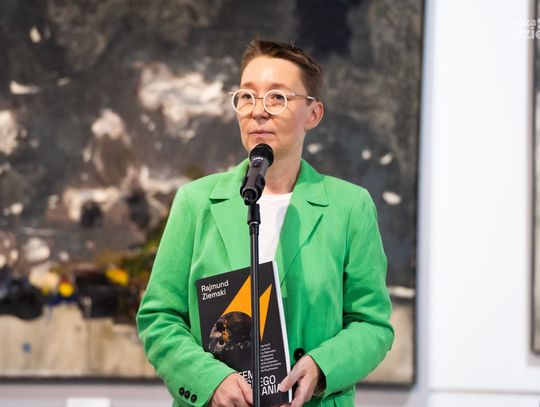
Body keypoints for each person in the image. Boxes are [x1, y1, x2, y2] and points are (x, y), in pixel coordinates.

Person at [137, 38, 394, 407]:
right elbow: (159, 317)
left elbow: (373, 324)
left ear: (313, 114)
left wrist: (322, 367)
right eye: (247, 96)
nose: (258, 111)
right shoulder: (195, 202)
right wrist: (209, 380)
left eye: (277, 97)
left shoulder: (350, 207)